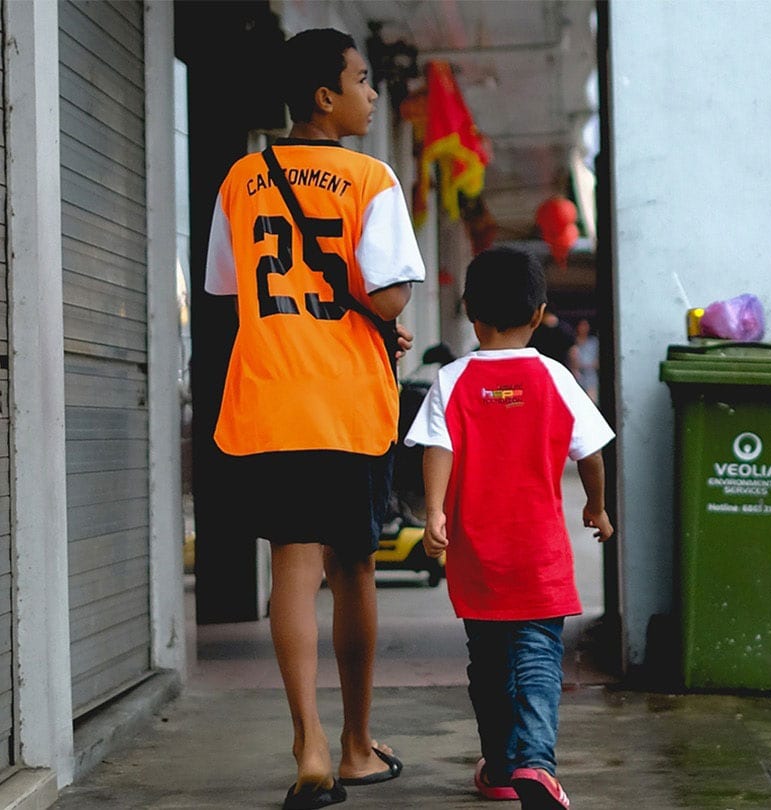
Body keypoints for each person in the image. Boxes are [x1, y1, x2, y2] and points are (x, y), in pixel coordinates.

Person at [204, 28, 423, 810]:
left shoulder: (244, 177)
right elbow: (390, 295)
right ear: (326, 96)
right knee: (353, 566)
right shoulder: (371, 177)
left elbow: (234, 293)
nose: (372, 95)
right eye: (364, 82)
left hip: (269, 395)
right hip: (345, 399)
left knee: (290, 569)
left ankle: (310, 745)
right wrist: (375, 317)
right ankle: (360, 746)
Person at [405, 246, 615, 809]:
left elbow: (436, 449)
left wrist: (436, 512)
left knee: (490, 661)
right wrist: (595, 505)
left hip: (477, 555)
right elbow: (591, 452)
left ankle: (500, 766)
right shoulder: (555, 377)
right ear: (539, 312)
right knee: (538, 657)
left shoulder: (452, 380)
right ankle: (536, 765)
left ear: (471, 312)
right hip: (539, 556)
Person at [568, 318, 600, 403]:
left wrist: (583, 365)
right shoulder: (572, 342)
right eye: (581, 325)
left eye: (585, 325)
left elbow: (597, 362)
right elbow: (571, 363)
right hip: (576, 379)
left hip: (591, 379)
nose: (583, 328)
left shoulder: (593, 342)